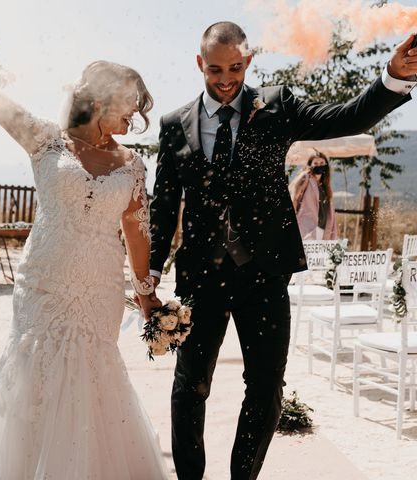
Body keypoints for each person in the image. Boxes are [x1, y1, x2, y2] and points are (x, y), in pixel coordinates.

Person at [149, 22, 416, 480]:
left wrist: (392, 77)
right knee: (190, 388)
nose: (226, 78)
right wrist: (149, 273)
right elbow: (164, 204)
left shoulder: (277, 106)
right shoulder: (174, 126)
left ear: (248, 61)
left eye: (235, 67)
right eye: (215, 69)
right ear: (199, 64)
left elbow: (344, 118)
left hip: (264, 276)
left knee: (267, 390)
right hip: (200, 280)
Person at [0, 26, 169, 480]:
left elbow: (137, 232)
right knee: (37, 382)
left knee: (93, 383)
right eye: (130, 107)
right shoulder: (45, 140)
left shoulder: (133, 166)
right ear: (104, 99)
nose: (134, 118)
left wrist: (147, 296)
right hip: (43, 288)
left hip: (98, 294)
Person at [289, 151, 337, 240]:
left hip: (323, 228)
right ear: (310, 165)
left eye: (322, 163)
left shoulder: (325, 185)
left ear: (326, 165)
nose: (319, 165)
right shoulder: (305, 178)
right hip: (307, 227)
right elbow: (294, 198)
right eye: (316, 163)